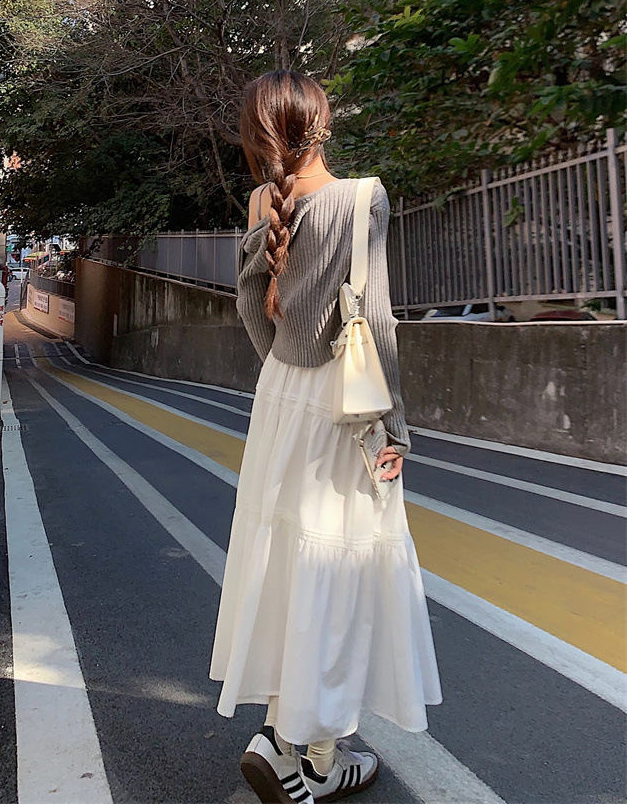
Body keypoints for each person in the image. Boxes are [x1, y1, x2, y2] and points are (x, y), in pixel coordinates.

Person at [209, 70, 441, 804]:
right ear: (323, 125)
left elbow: (250, 303)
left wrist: (285, 367)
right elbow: (377, 318)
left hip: (281, 396)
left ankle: (303, 750)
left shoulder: (262, 203)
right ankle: (302, 751)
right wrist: (394, 426)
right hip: (345, 405)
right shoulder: (362, 197)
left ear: (257, 138)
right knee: (342, 571)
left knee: (286, 562)